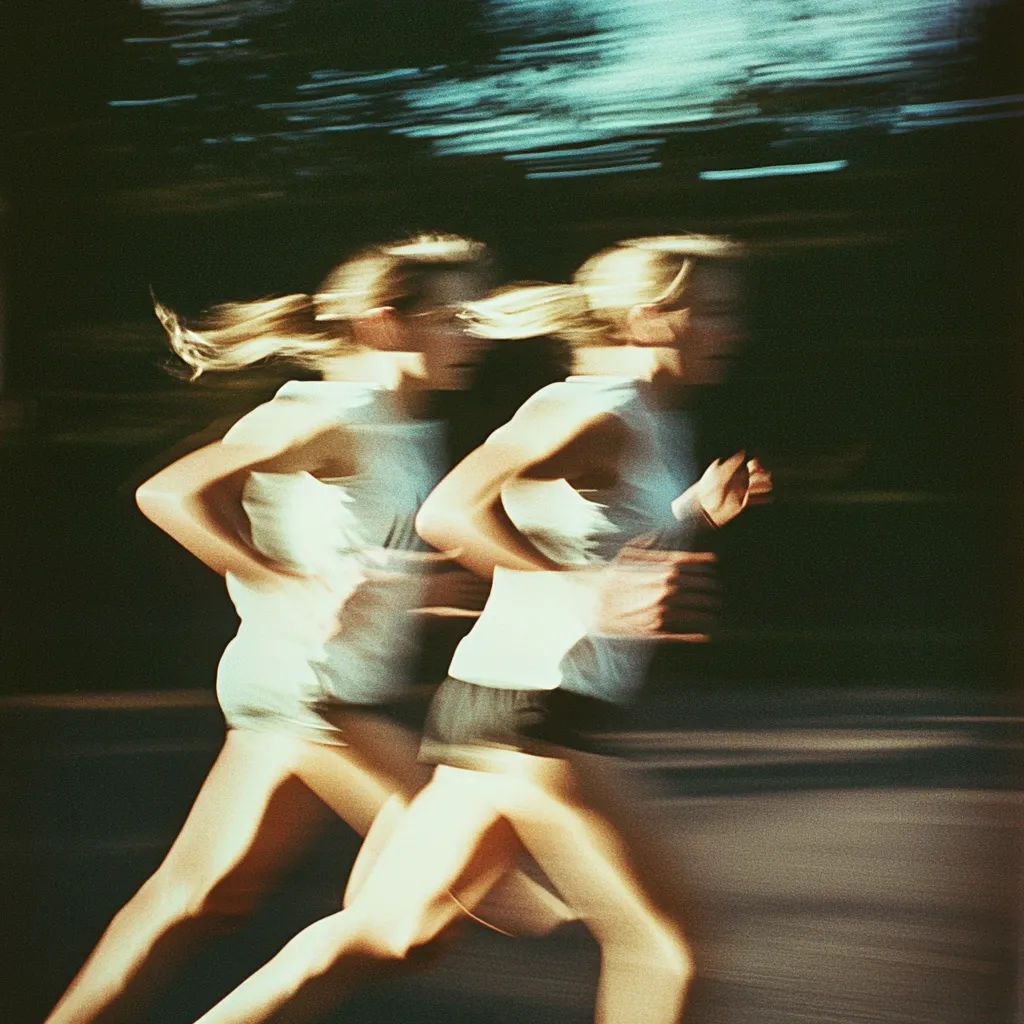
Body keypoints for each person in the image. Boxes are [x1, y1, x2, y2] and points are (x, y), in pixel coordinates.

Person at [185, 234, 770, 1024]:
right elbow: (452, 510)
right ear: (652, 315)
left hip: (492, 708)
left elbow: (589, 533)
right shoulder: (595, 406)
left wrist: (692, 512)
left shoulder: (647, 415)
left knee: (385, 935)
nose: (734, 331)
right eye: (718, 312)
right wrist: (581, 593)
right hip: (542, 718)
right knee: (665, 951)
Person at [43, 234, 570, 1024]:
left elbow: (348, 545)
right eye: (454, 317)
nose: (473, 338)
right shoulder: (335, 411)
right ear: (386, 322)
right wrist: (283, 586)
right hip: (314, 695)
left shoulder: (404, 425)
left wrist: (423, 586)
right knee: (472, 894)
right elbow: (170, 494)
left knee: (196, 899)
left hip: (302, 689)